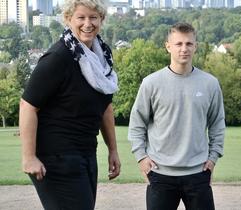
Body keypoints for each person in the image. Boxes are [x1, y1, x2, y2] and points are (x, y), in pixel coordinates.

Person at [19, 0, 121, 209]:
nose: (87, 23)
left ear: (102, 20)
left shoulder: (102, 58)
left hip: (85, 153)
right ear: (68, 20)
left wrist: (113, 150)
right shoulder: (58, 57)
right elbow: (27, 105)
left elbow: (105, 107)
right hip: (55, 157)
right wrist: (29, 157)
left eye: (93, 17)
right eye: (80, 18)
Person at [128, 22, 225, 210]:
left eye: (189, 44)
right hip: (160, 173)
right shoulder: (151, 83)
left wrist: (213, 158)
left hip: (198, 172)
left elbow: (217, 124)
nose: (184, 49)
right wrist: (141, 157)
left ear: (195, 46)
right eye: (178, 44)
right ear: (168, 46)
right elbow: (137, 122)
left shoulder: (210, 84)